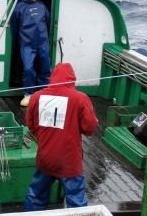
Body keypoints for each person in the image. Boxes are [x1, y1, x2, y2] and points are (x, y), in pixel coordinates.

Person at [23, 63, 98, 211]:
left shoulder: (37, 97)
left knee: (35, 196)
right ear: (72, 79)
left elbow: (30, 124)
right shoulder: (80, 99)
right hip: (69, 161)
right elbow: (89, 129)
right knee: (77, 201)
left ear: (53, 77)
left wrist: (43, 137)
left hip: (45, 158)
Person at [10, 0, 51, 107]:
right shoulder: (19, 8)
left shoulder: (42, 6)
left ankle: (43, 91)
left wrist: (45, 38)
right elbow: (14, 28)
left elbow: (48, 22)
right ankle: (28, 93)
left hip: (42, 43)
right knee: (28, 69)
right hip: (27, 44)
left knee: (45, 67)